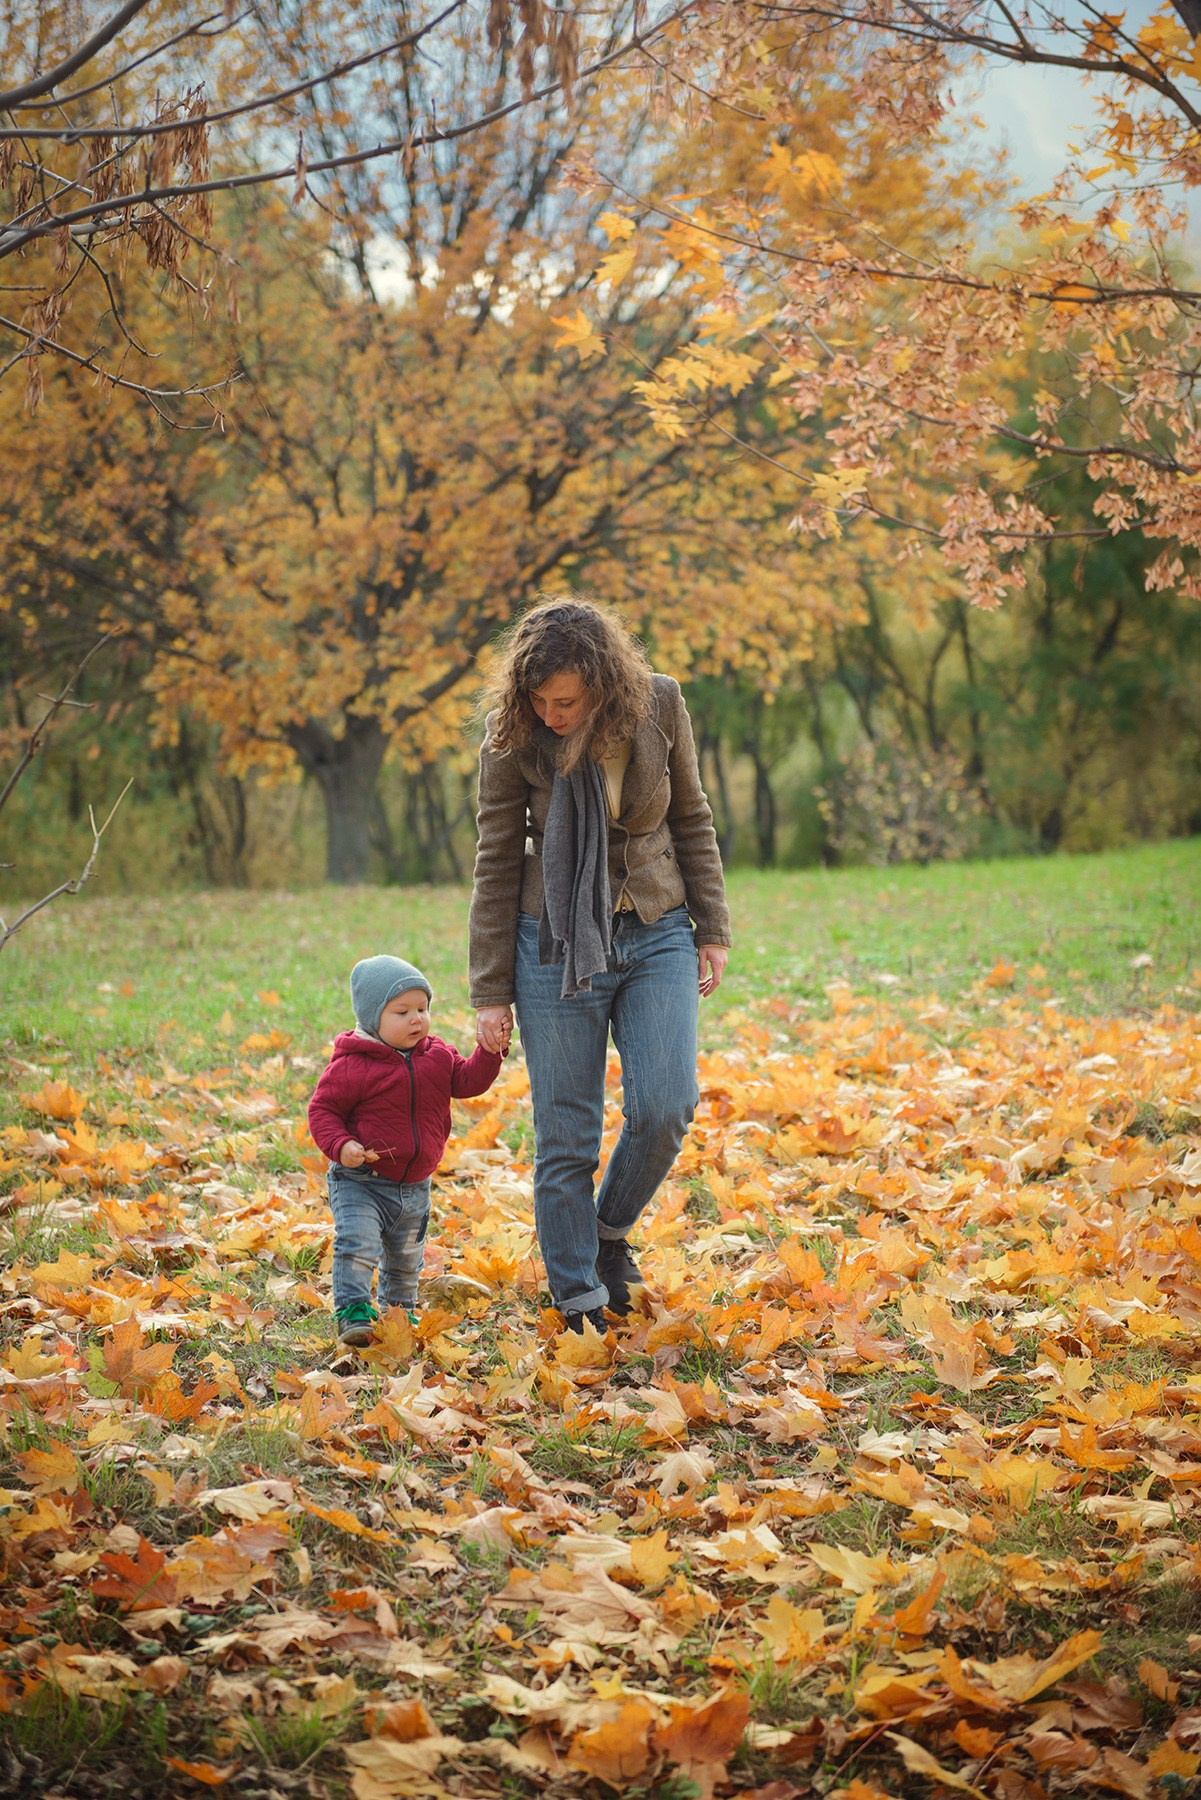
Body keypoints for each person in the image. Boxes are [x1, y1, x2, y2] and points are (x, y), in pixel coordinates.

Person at [469, 598, 731, 1334]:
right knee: (567, 1133)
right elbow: (495, 860)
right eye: (538, 699)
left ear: (603, 685)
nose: (550, 714)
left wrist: (711, 927)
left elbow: (691, 817)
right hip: (550, 939)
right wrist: (490, 990)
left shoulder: (660, 704)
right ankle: (576, 1289)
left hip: (654, 926)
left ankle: (609, 1231)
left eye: (566, 701)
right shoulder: (511, 736)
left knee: (665, 1105)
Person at [308, 954, 504, 1346]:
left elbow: (467, 1081)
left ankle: (399, 1312)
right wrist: (341, 1144)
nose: (417, 1018)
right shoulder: (353, 1065)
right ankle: (353, 1310)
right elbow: (323, 1110)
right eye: (402, 1011)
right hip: (361, 1180)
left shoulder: (437, 1056)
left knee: (405, 1258)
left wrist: (488, 1052)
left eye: (423, 1008)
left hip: (415, 1185)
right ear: (372, 1017)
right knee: (358, 1244)